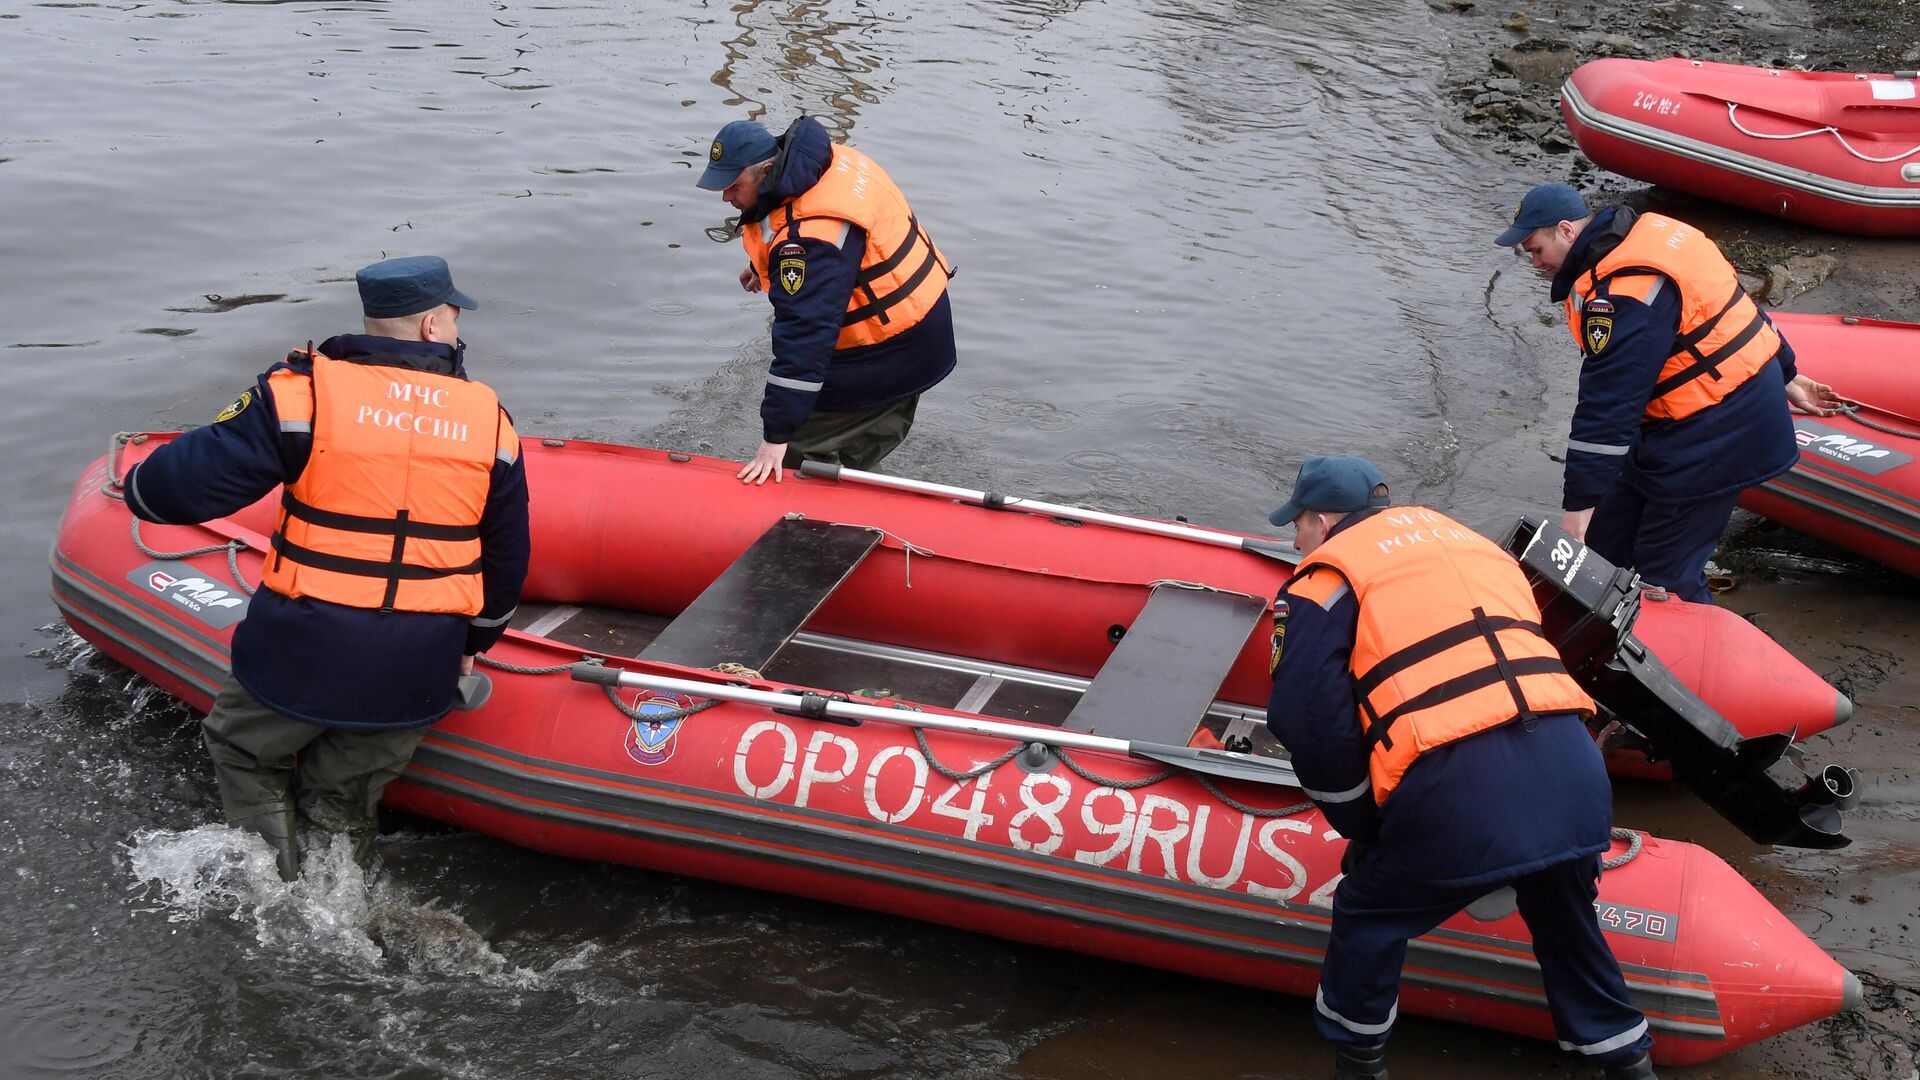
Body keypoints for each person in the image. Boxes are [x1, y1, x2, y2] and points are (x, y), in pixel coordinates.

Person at [122, 255, 531, 880]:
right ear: (429, 327)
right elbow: (507, 556)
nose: (456, 330)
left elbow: (164, 494)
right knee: (344, 797)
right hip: (416, 661)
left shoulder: (301, 393)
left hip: (303, 647)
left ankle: (271, 890)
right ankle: (342, 900)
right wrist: (475, 642)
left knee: (244, 750)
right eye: (453, 317)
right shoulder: (490, 420)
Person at [1264, 455, 1656, 1080]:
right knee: (1565, 918)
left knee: (1368, 910)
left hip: (1459, 791)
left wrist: (1364, 826)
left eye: (1298, 527)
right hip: (1577, 773)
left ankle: (1358, 1064)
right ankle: (1628, 1063)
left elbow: (1305, 716)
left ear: (1320, 519)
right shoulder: (1476, 547)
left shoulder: (1323, 583)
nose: (1294, 540)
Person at [1497, 183, 1844, 601]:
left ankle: (1686, 654)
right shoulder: (1654, 234)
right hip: (1686, 417)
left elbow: (1606, 413)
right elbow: (1732, 303)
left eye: (1536, 250)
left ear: (1567, 231)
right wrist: (1787, 372)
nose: (1535, 264)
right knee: (1605, 538)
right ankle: (1589, 632)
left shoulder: (1621, 298)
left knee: (1666, 574)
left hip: (1721, 430)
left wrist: (1572, 523)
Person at [697, 117, 957, 484]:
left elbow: (805, 336)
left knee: (803, 456)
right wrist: (763, 264)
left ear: (766, 170)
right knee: (837, 441)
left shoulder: (807, 244)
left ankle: (839, 521)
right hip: (919, 321)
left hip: (894, 350)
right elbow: (833, 241)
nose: (726, 197)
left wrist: (777, 437)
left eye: (732, 186)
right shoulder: (828, 161)